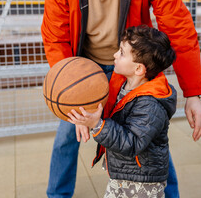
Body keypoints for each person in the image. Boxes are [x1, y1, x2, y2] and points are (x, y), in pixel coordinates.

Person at [41, 0, 201, 197]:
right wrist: (70, 91)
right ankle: (57, 194)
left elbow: (177, 27)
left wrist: (192, 93)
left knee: (148, 136)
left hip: (131, 66)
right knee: (68, 134)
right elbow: (55, 36)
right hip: (85, 71)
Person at [67, 26, 177, 198]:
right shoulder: (122, 85)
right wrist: (86, 116)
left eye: (122, 53)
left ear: (139, 69)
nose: (115, 55)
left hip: (142, 183)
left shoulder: (151, 104)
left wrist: (98, 125)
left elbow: (132, 143)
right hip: (123, 175)